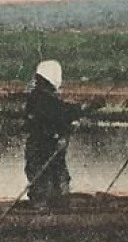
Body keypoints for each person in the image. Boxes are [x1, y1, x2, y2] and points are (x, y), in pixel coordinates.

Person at [24, 60, 83, 203]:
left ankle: (47, 204)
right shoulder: (45, 100)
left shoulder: (37, 97)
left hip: (40, 148)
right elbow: (61, 112)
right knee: (50, 183)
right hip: (46, 149)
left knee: (47, 182)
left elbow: (59, 114)